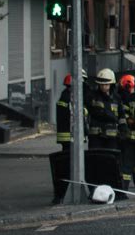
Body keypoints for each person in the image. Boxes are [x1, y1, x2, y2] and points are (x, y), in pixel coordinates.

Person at [52, 72, 88, 204]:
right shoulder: (71, 97)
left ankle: (67, 187)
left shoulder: (65, 95)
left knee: (67, 161)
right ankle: (70, 186)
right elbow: (78, 115)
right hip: (71, 136)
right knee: (71, 162)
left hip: (67, 135)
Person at [87, 69, 123, 153]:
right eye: (101, 85)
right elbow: (92, 111)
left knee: (111, 160)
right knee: (96, 158)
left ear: (111, 84)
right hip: (95, 136)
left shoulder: (116, 98)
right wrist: (110, 116)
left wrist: (123, 128)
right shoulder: (92, 96)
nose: (103, 87)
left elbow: (121, 115)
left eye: (106, 84)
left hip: (112, 137)